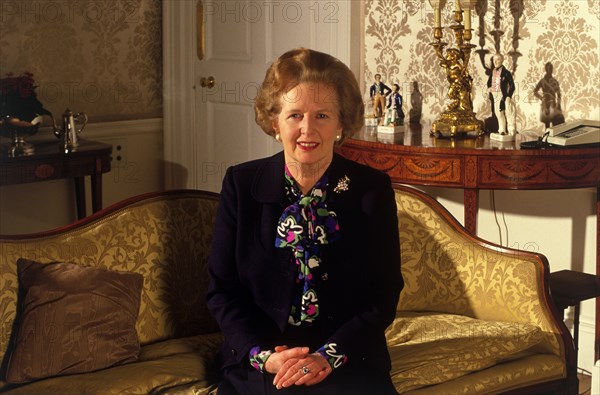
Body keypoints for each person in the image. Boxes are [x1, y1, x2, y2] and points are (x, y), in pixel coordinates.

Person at [206, 48, 403, 395]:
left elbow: (383, 294)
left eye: (323, 115)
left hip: (346, 356)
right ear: (274, 121)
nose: (307, 130)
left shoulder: (371, 190)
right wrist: (264, 356)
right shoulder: (241, 185)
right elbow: (223, 291)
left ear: (341, 123)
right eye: (295, 115)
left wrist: (329, 356)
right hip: (265, 357)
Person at [487, 53, 516, 135]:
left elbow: (512, 86)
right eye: (494, 60)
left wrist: (508, 96)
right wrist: (489, 88)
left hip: (501, 94)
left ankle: (504, 130)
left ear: (502, 60)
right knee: (496, 112)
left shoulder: (506, 73)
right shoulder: (492, 72)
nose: (495, 62)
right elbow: (489, 82)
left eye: (498, 59)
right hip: (494, 94)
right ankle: (501, 129)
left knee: (501, 112)